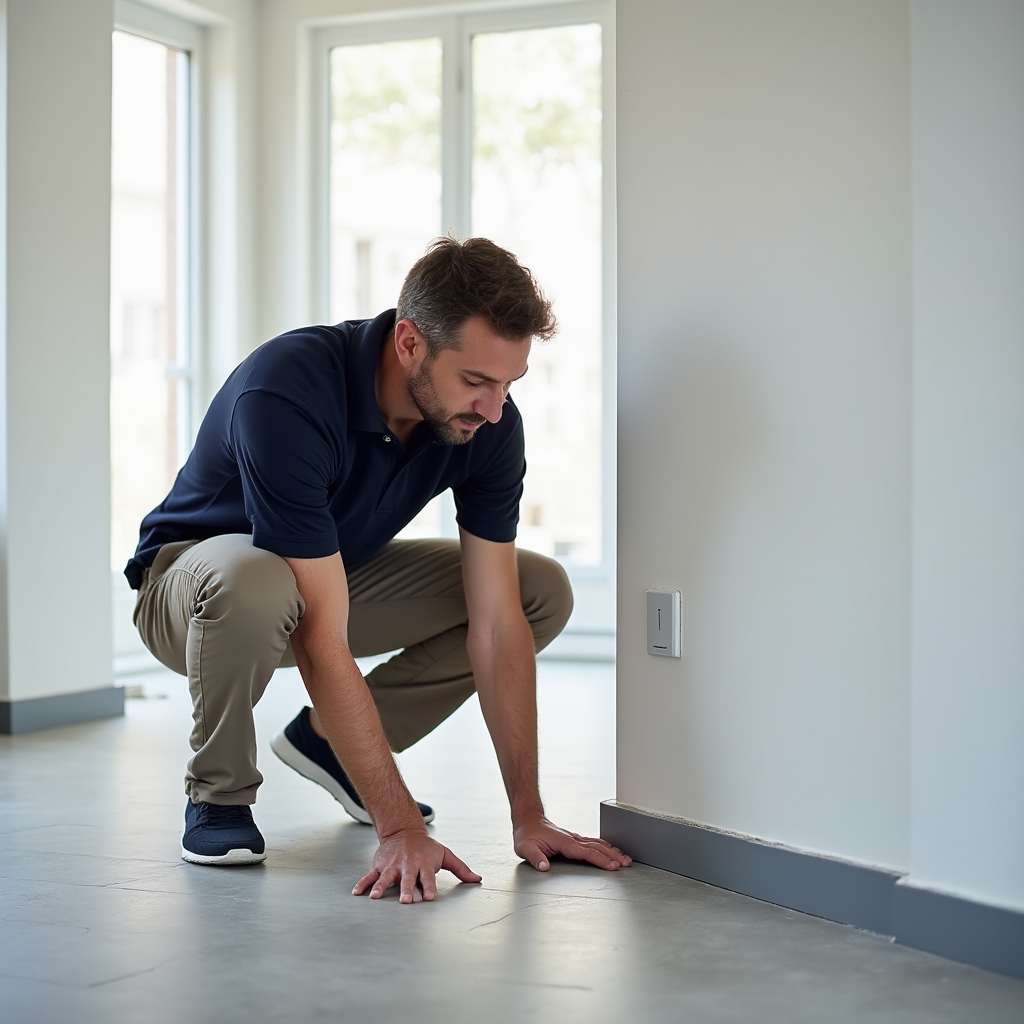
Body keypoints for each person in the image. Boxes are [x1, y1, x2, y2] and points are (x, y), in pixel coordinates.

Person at [126, 236, 631, 904]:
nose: (494, 407)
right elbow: (319, 635)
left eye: (508, 384)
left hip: (330, 574)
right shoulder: (288, 389)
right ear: (409, 344)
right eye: (476, 381)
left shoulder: (488, 427)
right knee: (259, 579)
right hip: (192, 590)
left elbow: (499, 624)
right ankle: (218, 799)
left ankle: (330, 743)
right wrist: (396, 826)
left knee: (538, 592)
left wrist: (528, 815)